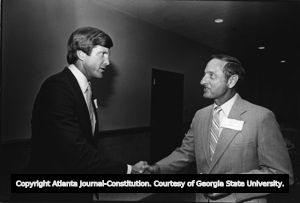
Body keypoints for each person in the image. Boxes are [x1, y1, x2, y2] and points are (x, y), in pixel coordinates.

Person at [145, 54, 293, 202]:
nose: (202, 81)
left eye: (211, 75)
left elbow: (282, 175)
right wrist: (157, 168)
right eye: (204, 74)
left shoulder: (261, 117)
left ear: (231, 80)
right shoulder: (200, 116)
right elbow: (185, 153)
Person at [28, 27, 146, 175]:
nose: (108, 62)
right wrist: (130, 170)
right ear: (81, 54)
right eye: (102, 54)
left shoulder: (85, 88)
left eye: (108, 55)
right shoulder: (57, 88)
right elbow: (77, 153)